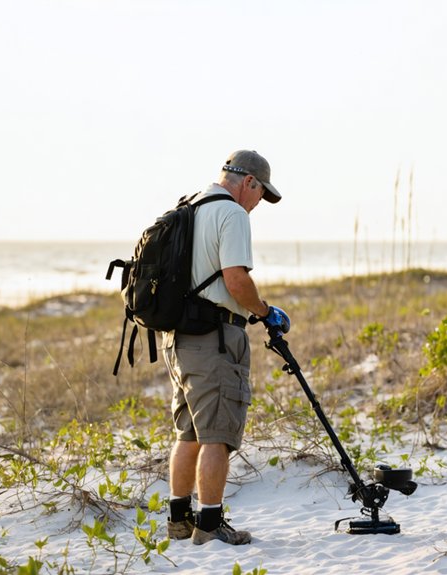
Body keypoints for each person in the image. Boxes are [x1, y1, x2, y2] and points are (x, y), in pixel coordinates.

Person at [163, 150, 291, 546]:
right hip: (214, 338)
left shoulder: (192, 204)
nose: (257, 205)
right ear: (248, 182)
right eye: (260, 195)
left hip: (179, 337)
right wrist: (266, 312)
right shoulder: (232, 214)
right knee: (217, 433)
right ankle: (210, 524)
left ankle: (179, 521)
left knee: (190, 432)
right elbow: (236, 280)